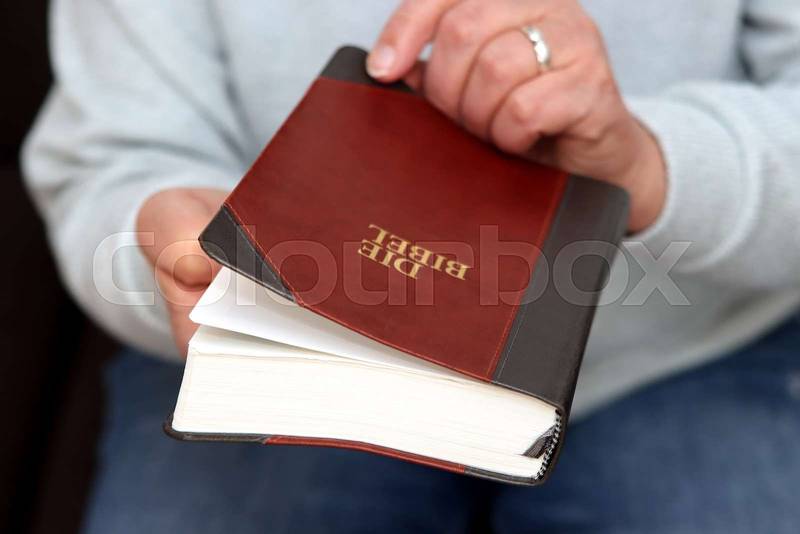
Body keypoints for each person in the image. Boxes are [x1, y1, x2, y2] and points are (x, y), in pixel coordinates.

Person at [23, 0, 800, 532]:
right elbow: (111, 156)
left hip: (685, 348)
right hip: (282, 350)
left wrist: (644, 163)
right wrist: (168, 259)